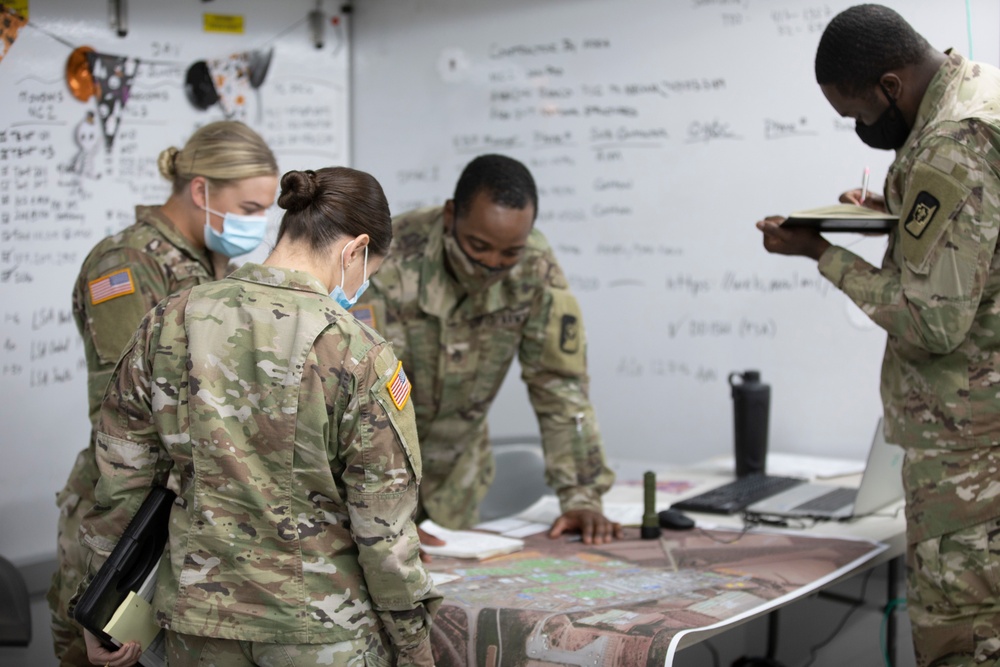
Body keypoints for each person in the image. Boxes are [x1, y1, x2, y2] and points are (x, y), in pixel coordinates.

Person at [79, 167, 441, 666]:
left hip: (197, 627)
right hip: (319, 633)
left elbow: (120, 479)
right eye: (369, 272)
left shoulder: (170, 321)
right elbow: (384, 530)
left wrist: (100, 605)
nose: (362, 286)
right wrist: (414, 646)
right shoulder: (358, 352)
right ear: (355, 251)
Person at [755, 5, 1000, 665]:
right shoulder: (980, 95)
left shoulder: (952, 143)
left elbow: (934, 321)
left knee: (965, 644)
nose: (859, 126)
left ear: (891, 85)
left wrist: (822, 254)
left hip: (973, 464)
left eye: (857, 111)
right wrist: (892, 221)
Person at [48, 120, 280, 666]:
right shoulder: (127, 266)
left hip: (187, 516)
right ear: (201, 190)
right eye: (248, 209)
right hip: (126, 520)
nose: (258, 224)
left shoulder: (217, 266)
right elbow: (123, 411)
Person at [355, 154, 621, 545]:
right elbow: (359, 402)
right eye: (478, 246)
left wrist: (581, 496)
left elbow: (559, 386)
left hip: (457, 486)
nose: (492, 265)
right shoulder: (388, 264)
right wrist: (382, 519)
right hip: (373, 486)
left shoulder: (534, 267)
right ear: (450, 216)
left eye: (509, 253)